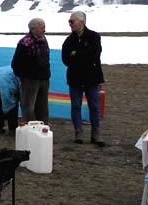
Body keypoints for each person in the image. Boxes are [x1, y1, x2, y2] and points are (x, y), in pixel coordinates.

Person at [60, 10, 106, 146]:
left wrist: (76, 54)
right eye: (69, 22)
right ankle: (78, 133)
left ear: (81, 22)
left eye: (72, 21)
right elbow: (66, 58)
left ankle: (96, 134)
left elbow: (94, 54)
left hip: (92, 78)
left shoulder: (94, 37)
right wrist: (80, 55)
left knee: (94, 106)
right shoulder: (69, 40)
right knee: (76, 106)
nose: (70, 24)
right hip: (75, 79)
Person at [11, 18, 50, 123]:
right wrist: (24, 77)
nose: (44, 30)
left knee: (43, 107)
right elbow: (16, 63)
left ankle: (43, 128)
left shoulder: (44, 40)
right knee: (29, 107)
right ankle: (29, 129)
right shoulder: (25, 42)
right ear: (33, 28)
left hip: (44, 79)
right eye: (42, 27)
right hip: (30, 80)